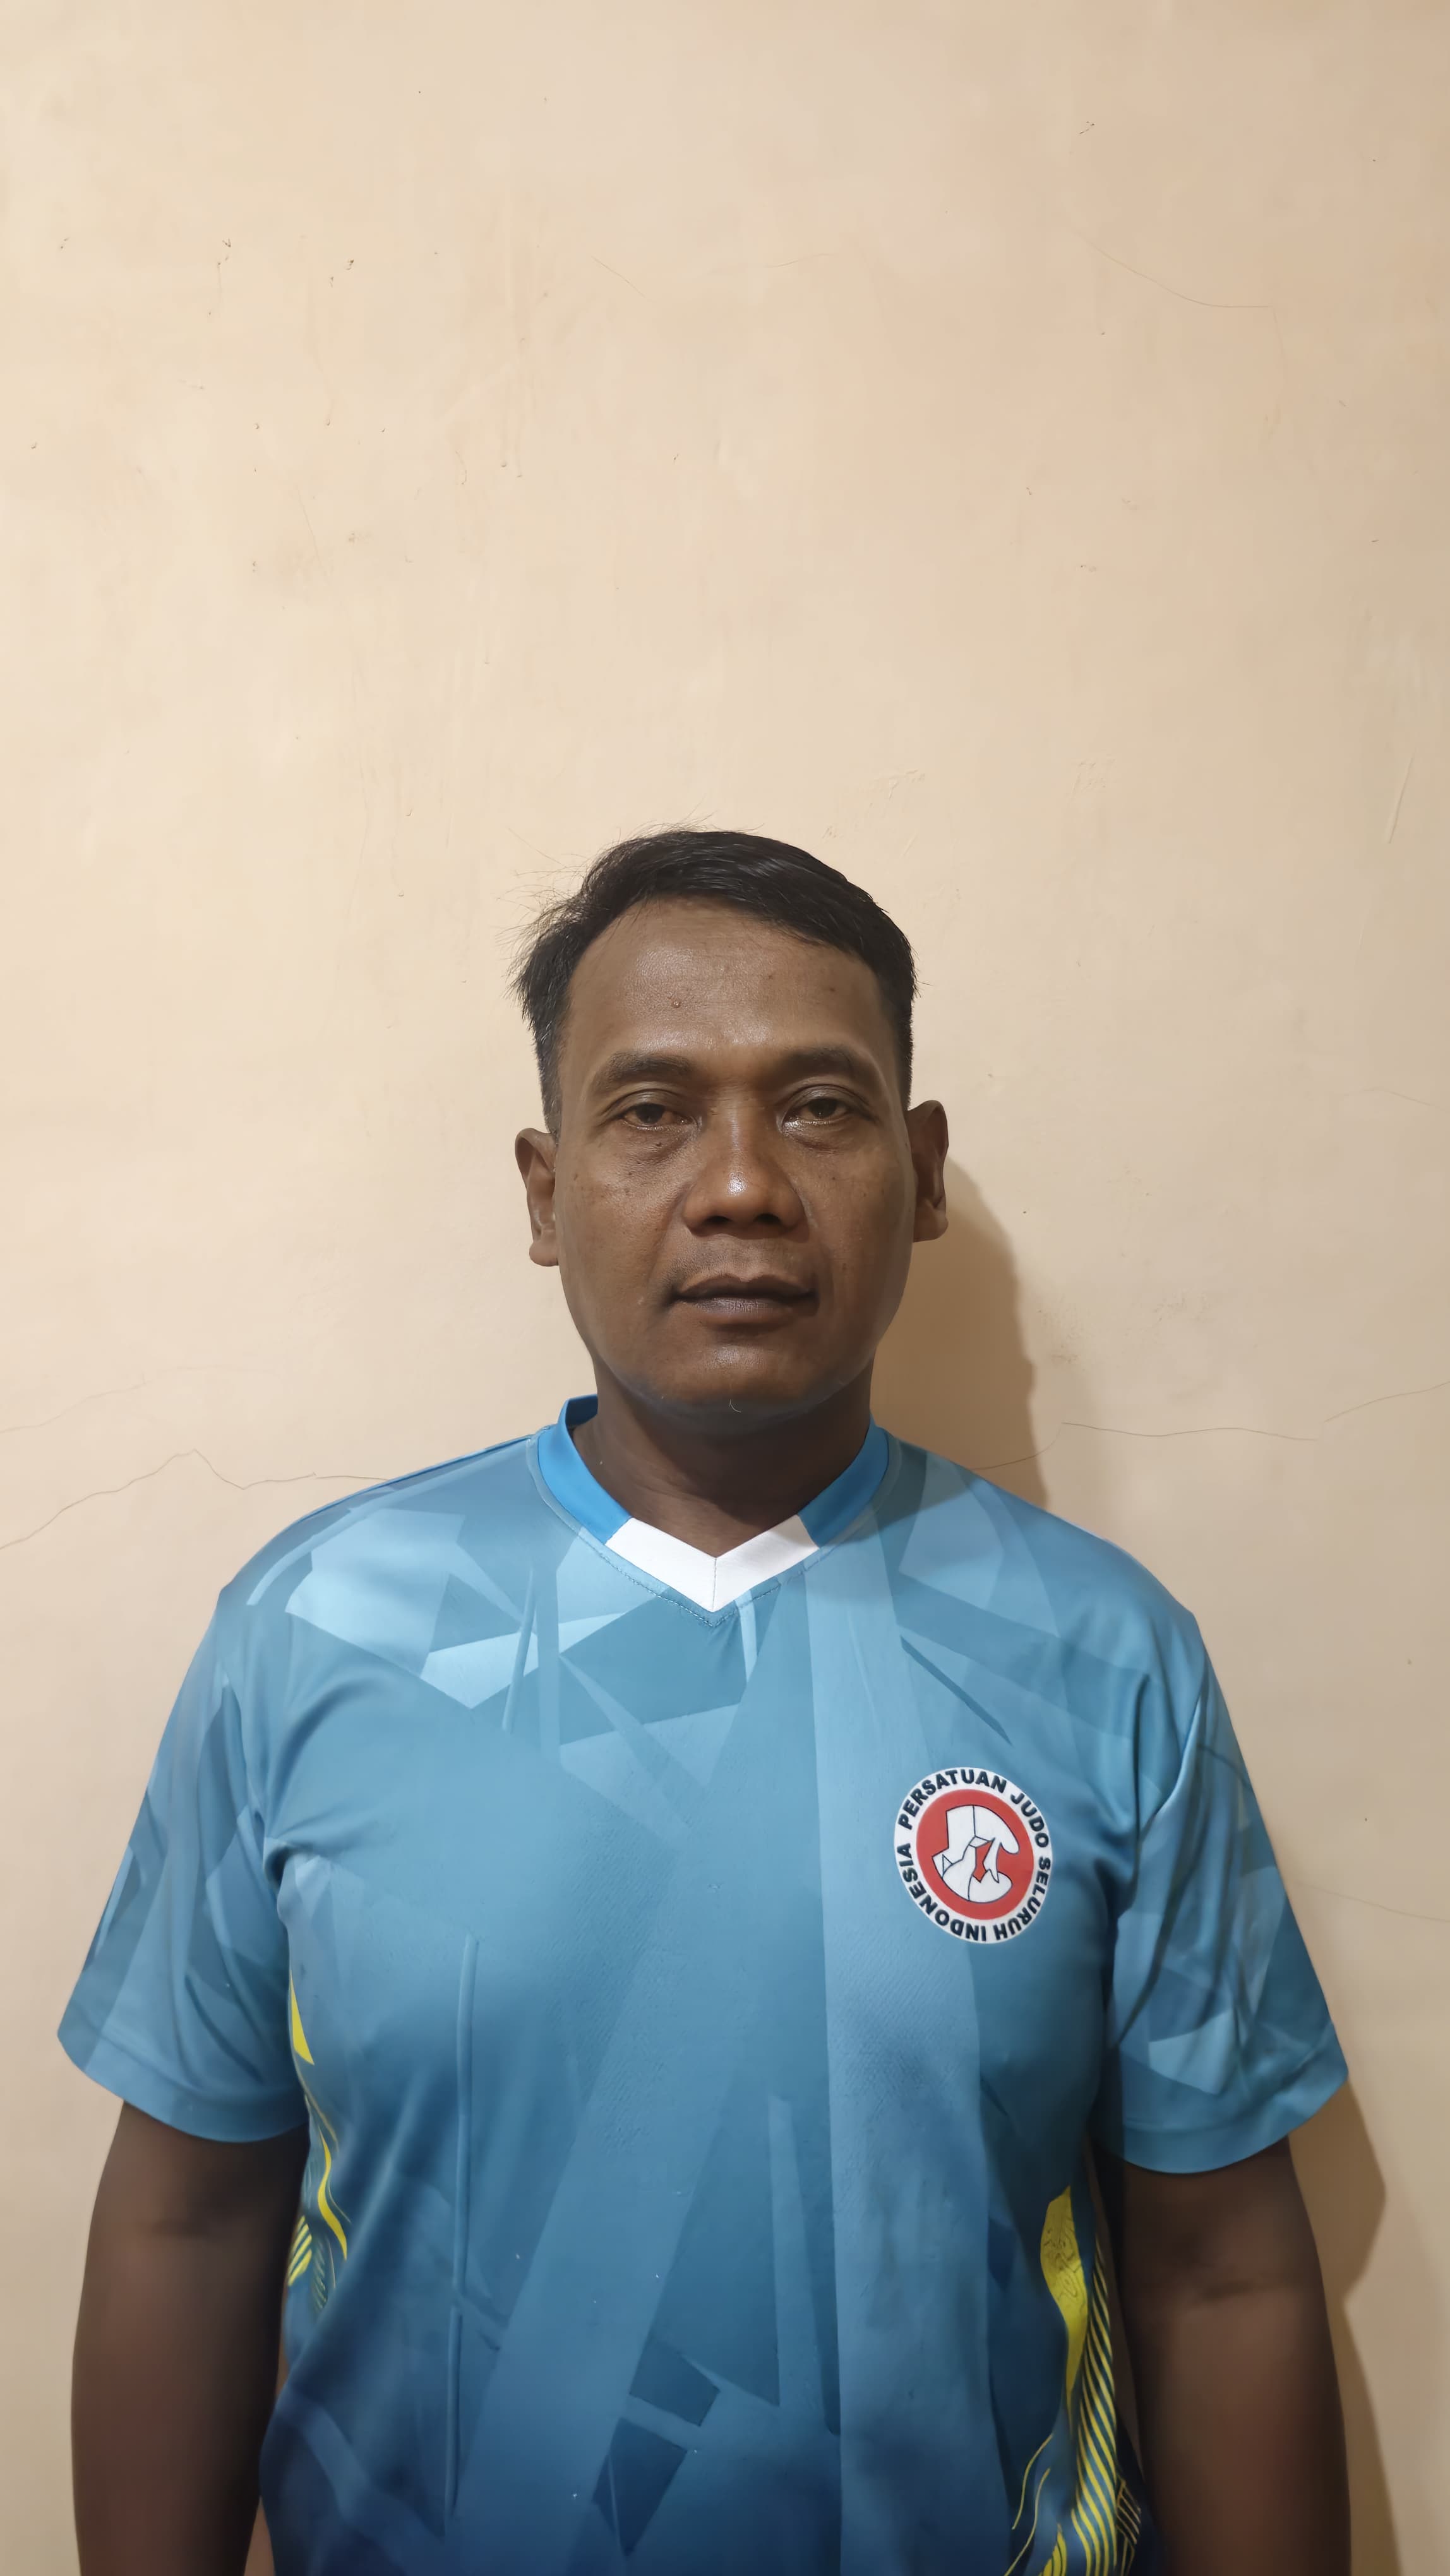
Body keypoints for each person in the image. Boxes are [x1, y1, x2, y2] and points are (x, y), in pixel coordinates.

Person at [63, 830, 1351, 2576]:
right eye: (653, 1111)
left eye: (817, 1108)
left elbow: (1224, 2272)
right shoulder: (318, 1629)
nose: (740, 1184)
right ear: (544, 1193)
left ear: (921, 1172)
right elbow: (188, 2221)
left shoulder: (1105, 1656)